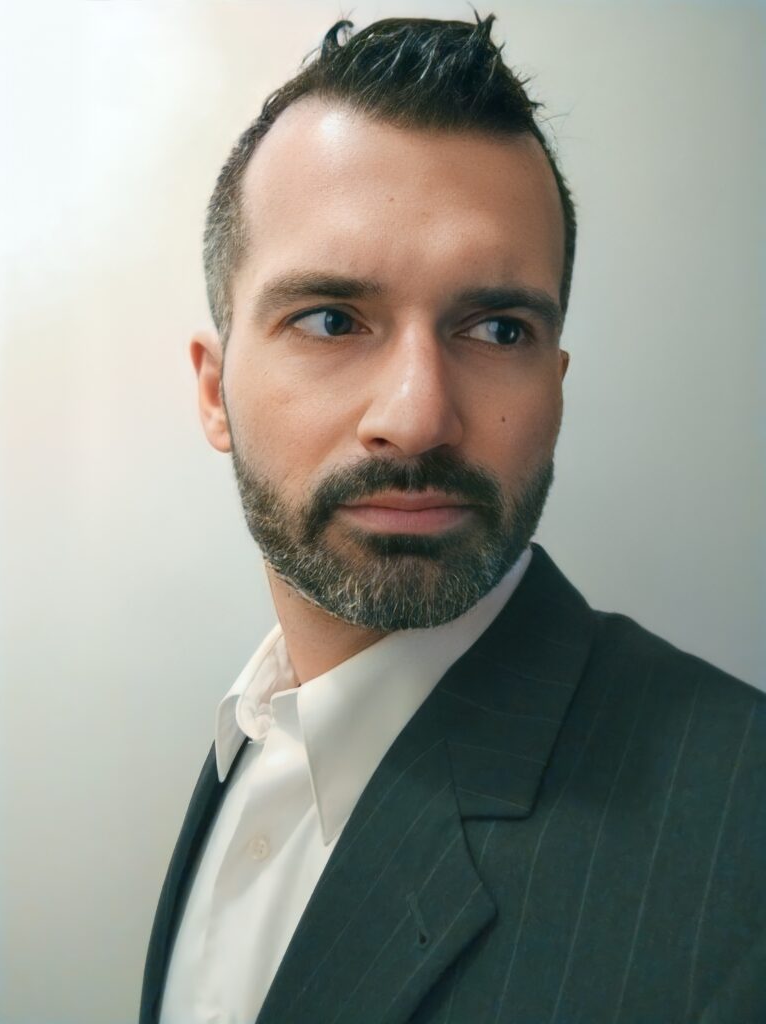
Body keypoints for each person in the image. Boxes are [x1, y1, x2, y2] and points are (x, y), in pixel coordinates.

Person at [140, 11, 765, 1024]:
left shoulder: (743, 845)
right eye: (333, 320)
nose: (417, 415)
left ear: (556, 383)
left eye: (496, 327)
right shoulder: (251, 735)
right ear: (215, 392)